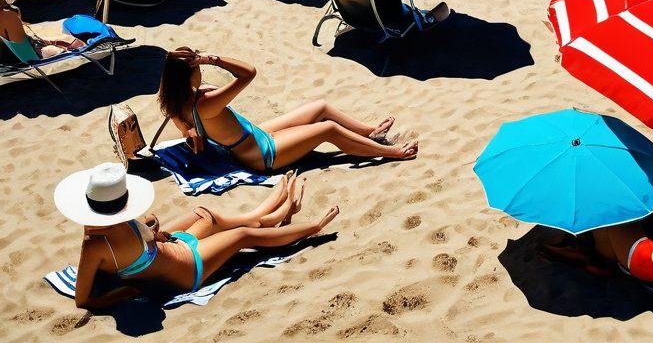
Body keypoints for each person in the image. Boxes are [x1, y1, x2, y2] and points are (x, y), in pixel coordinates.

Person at [56, 162, 338, 309]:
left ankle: (268, 213)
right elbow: (84, 300)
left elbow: (149, 239)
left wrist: (153, 229)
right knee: (242, 237)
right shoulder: (94, 244)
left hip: (174, 248)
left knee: (205, 214)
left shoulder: (107, 225)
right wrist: (121, 296)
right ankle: (312, 227)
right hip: (188, 267)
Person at [157, 49, 418, 172]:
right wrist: (213, 58)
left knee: (320, 107)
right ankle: (388, 152)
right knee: (327, 129)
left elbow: (183, 124)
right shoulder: (205, 103)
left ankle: (368, 132)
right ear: (190, 75)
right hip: (262, 154)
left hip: (254, 136)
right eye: (197, 68)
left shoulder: (175, 101)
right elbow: (248, 73)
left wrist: (191, 133)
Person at [0, 0, 85, 61]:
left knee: (66, 41)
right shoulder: (8, 16)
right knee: (75, 41)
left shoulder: (8, 16)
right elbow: (24, 47)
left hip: (21, 57)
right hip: (34, 58)